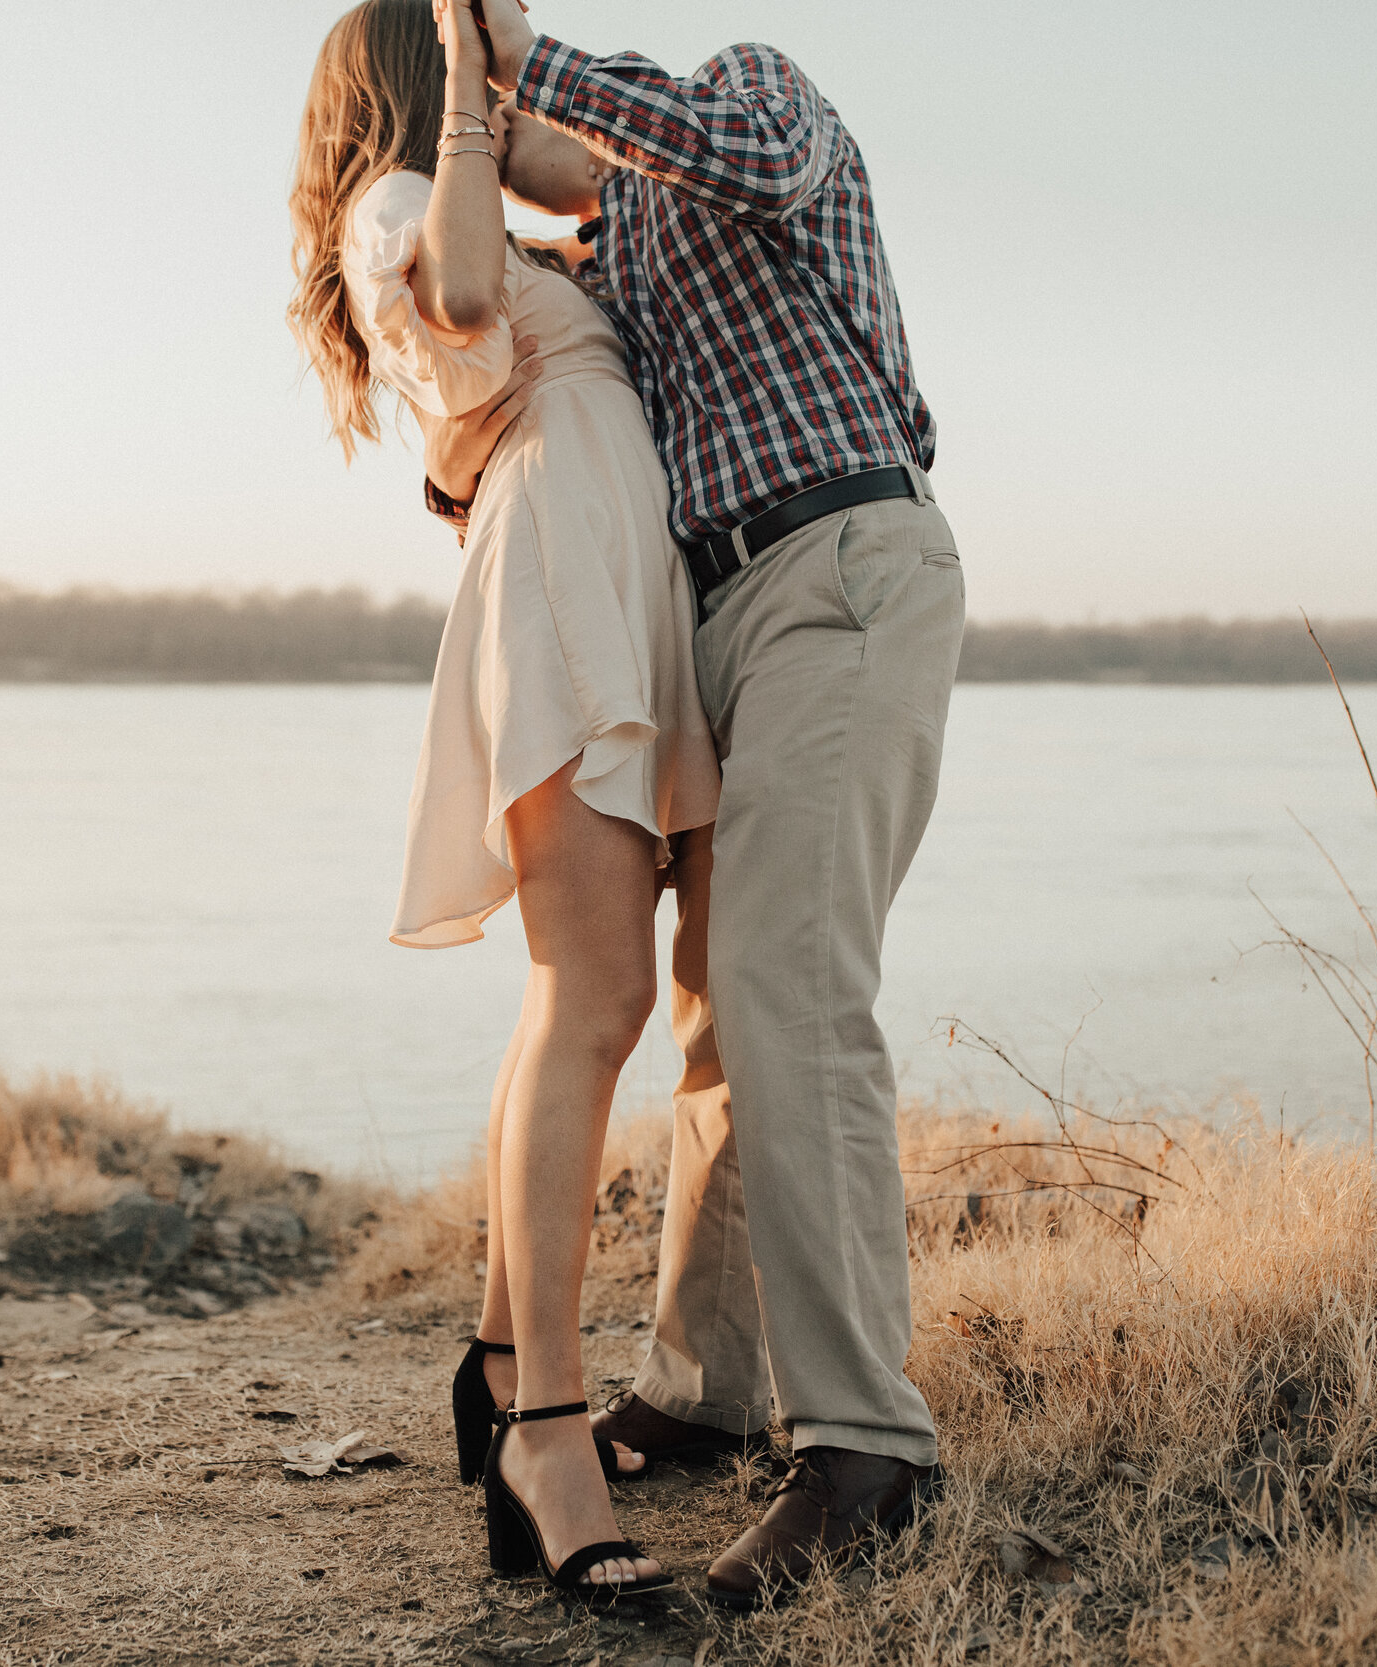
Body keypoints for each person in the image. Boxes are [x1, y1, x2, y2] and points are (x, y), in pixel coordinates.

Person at [421, 2, 965, 1609]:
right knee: (724, 1009)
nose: (524, 137)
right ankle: (704, 1384)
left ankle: (867, 1445)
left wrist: (505, 50)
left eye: (543, 121)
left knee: (794, 994)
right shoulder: (621, 261)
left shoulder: (750, 104)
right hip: (720, 620)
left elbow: (709, 142)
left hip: (843, 568)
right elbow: (524, 376)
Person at [288, 0, 722, 1599]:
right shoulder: (398, 205)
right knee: (592, 999)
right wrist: (474, 84)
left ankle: (494, 1360)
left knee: (578, 1007)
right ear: (420, 76)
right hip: (561, 569)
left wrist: (529, 102)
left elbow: (595, 194)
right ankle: (544, 1425)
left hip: (606, 559)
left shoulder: (455, 189)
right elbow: (470, 294)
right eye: (470, 55)